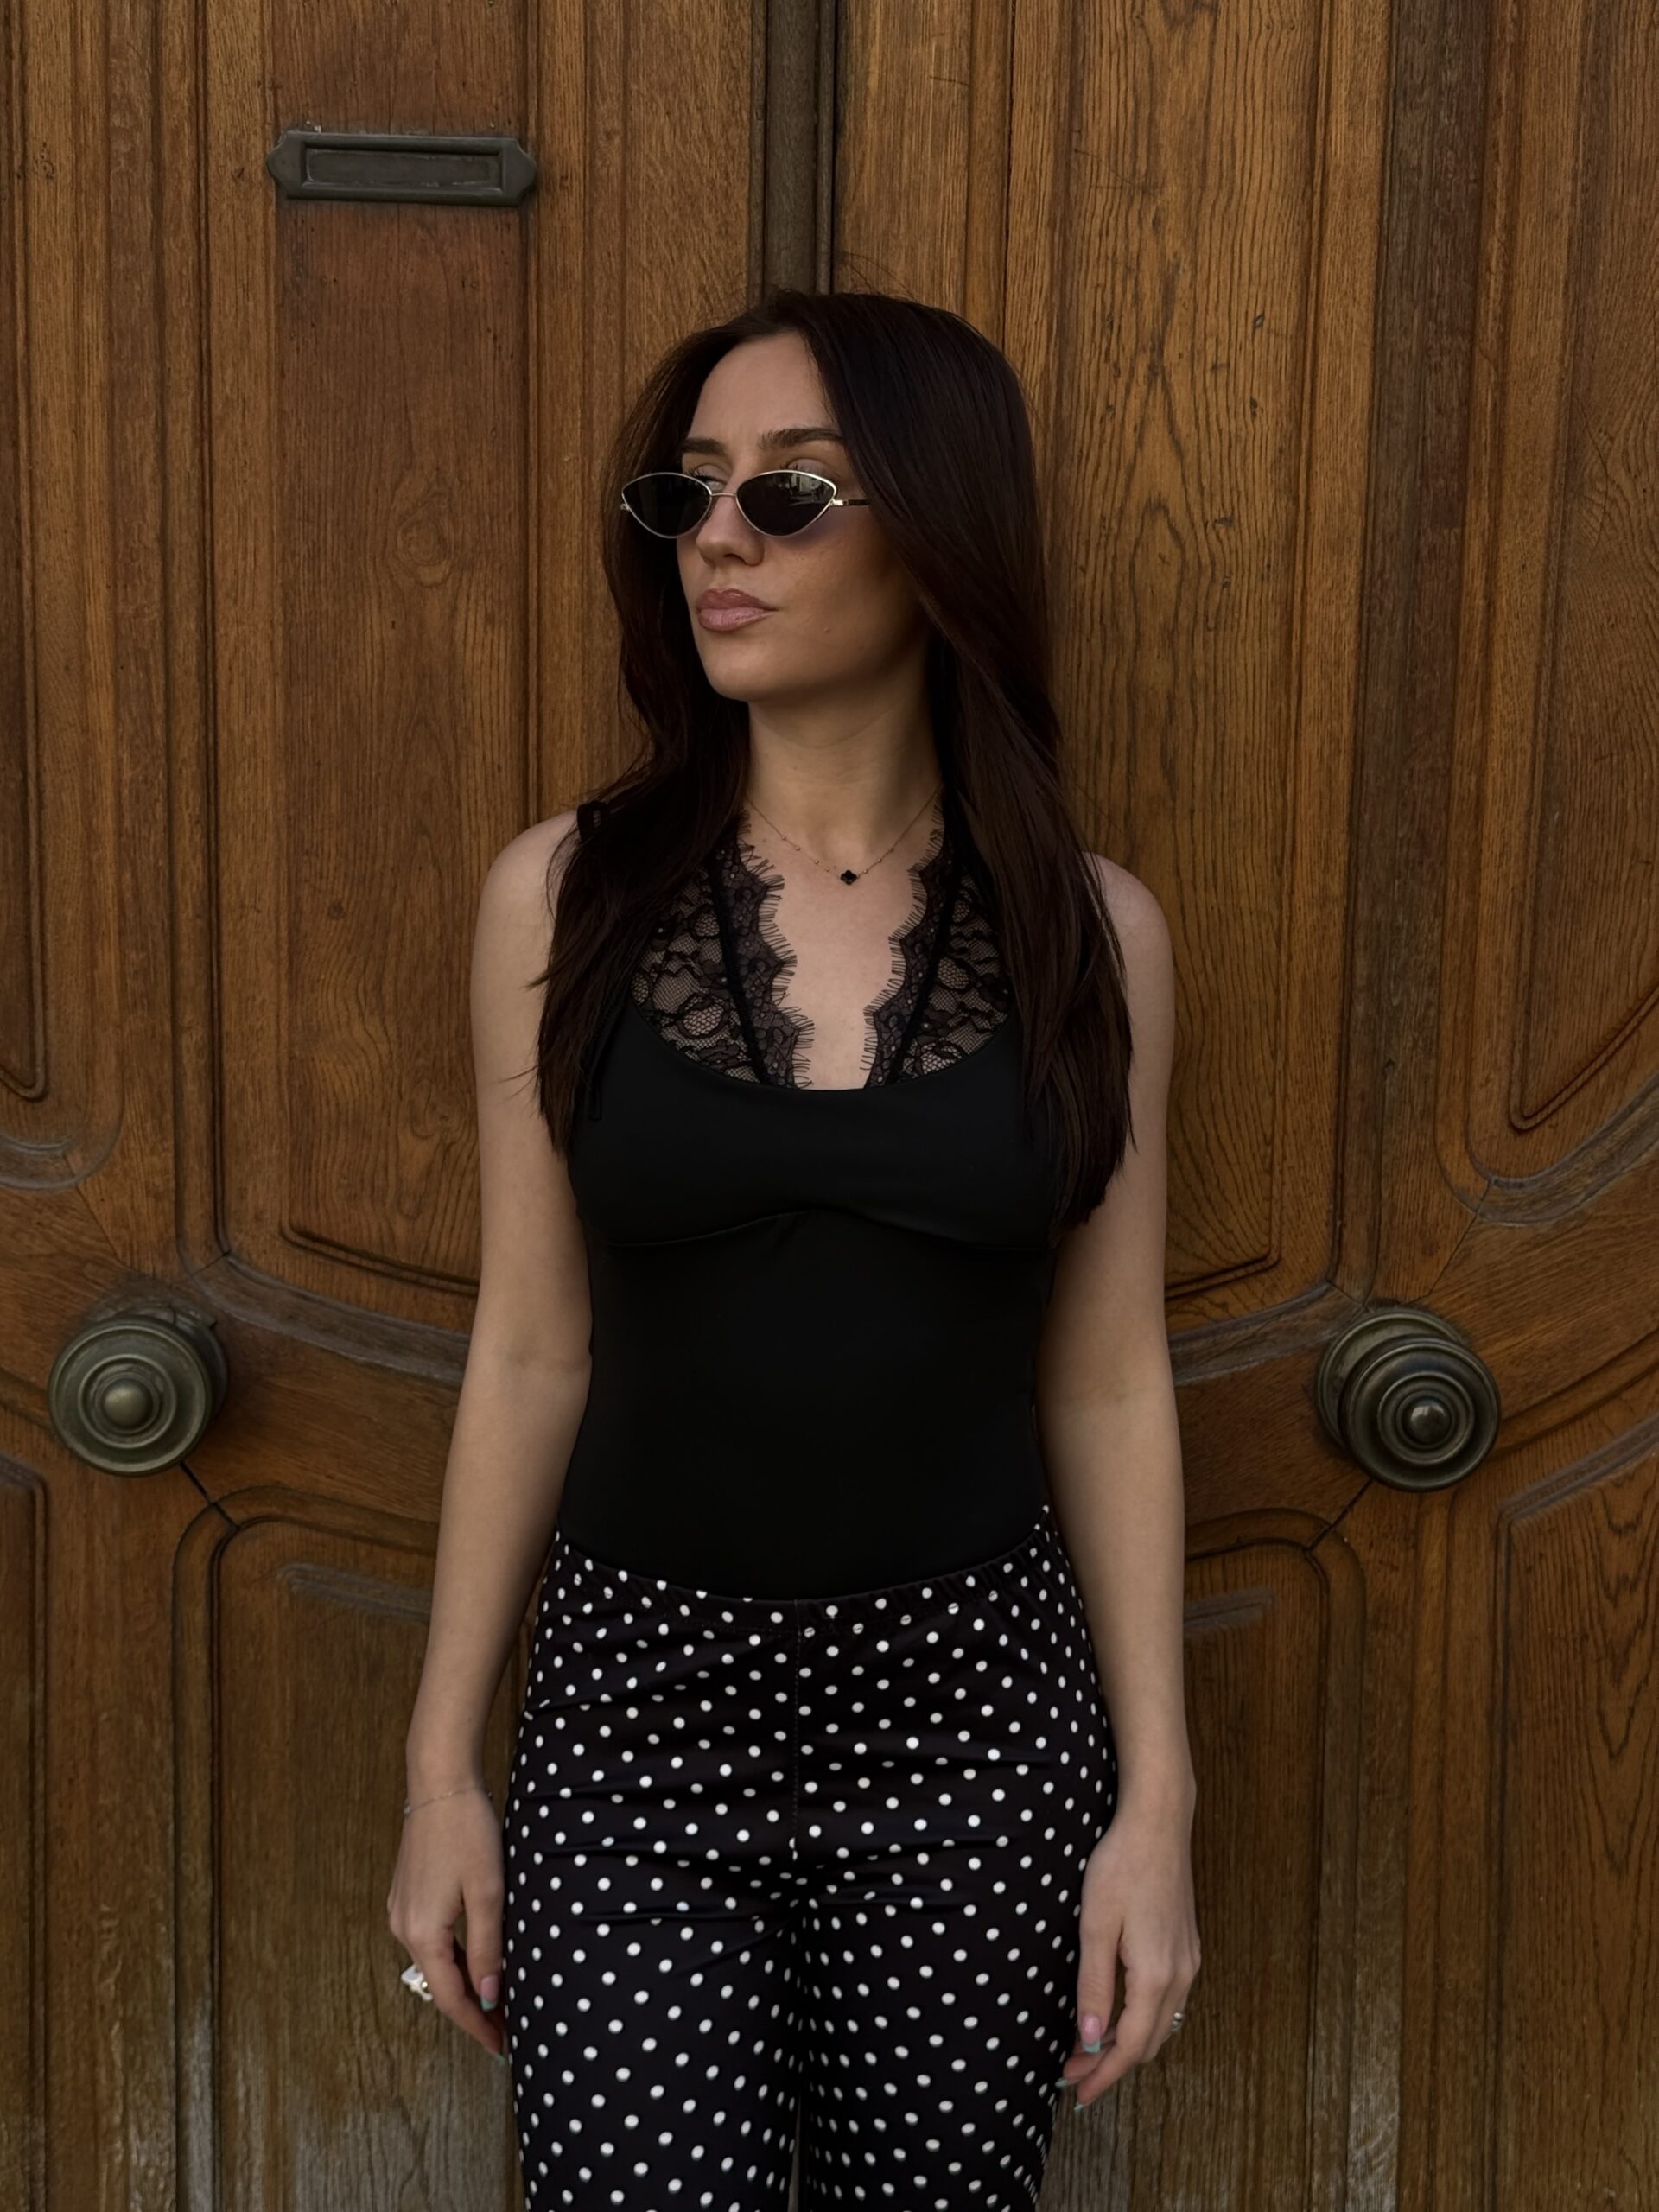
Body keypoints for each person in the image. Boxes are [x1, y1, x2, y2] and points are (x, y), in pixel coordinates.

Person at [387, 286, 1198, 2209]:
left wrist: (1155, 1800)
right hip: (636, 1737)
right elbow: (531, 1347)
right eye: (690, 493)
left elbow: (1106, 1378)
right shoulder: (562, 898)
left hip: (976, 1743)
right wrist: (442, 1771)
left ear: (942, 535)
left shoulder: (1096, 936)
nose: (719, 539)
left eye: (791, 492)